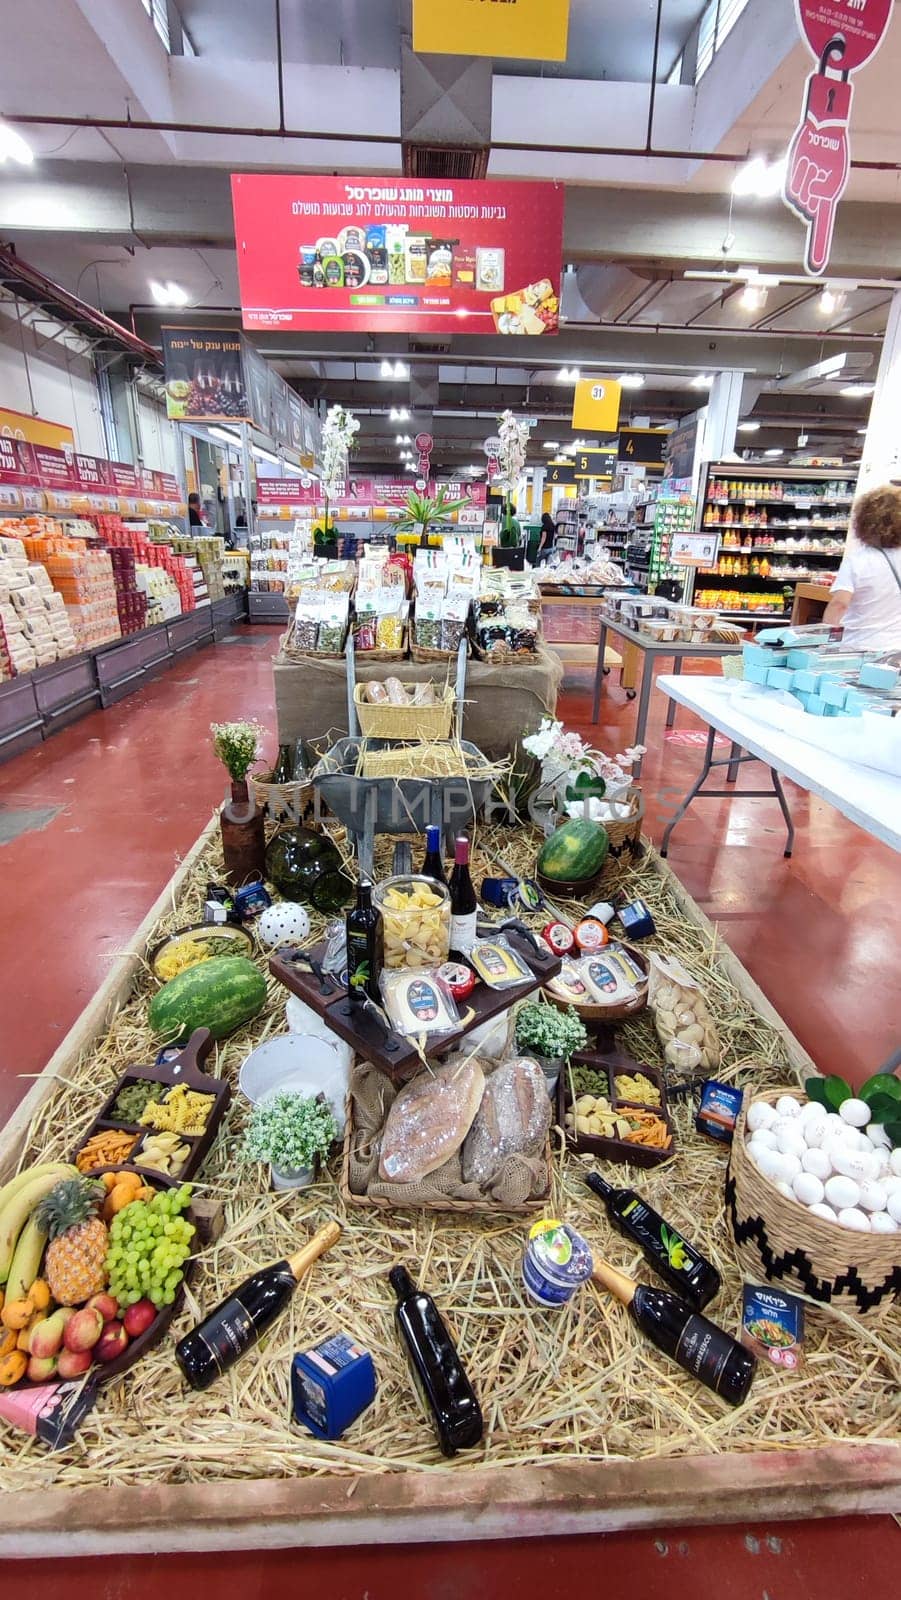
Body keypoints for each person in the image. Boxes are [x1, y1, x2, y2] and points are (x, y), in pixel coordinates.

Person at [823, 485, 901, 650]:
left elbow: (840, 604)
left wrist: (823, 641)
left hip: (858, 646)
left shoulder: (858, 560)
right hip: (896, 648)